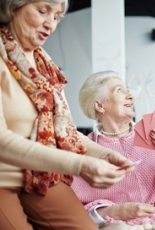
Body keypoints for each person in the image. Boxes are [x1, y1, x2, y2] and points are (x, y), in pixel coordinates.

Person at [0, 1, 135, 229]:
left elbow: (63, 132)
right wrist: (80, 165)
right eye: (43, 11)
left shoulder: (44, 63)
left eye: (57, 17)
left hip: (41, 177)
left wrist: (103, 154)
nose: (50, 25)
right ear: (14, 6)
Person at [72, 71, 155, 230]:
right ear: (99, 105)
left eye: (128, 91)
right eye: (120, 90)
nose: (131, 96)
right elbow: (78, 210)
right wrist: (117, 211)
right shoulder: (84, 149)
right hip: (118, 224)